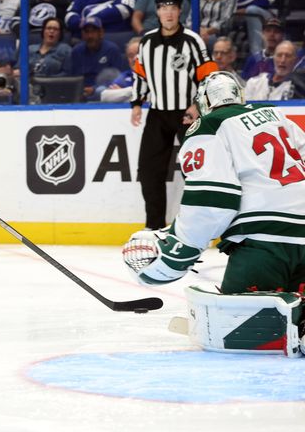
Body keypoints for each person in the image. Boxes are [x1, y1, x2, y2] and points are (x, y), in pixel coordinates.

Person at [122, 72, 305, 356]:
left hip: (264, 243)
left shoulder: (207, 126)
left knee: (236, 313)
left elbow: (212, 200)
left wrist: (179, 248)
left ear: (204, 102)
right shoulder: (277, 115)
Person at [131, 0, 217, 230]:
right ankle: (155, 226)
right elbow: (140, 74)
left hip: (187, 115)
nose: (168, 12)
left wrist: (197, 104)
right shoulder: (147, 42)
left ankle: (204, 225)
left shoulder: (193, 40)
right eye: (163, 7)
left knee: (198, 171)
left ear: (180, 11)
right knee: (149, 171)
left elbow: (208, 76)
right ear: (157, 12)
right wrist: (137, 103)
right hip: (157, 113)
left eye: (173, 7)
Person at [72, 17, 126, 100]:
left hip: (105, 94)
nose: (90, 36)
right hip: (81, 95)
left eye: (93, 31)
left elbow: (119, 79)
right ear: (82, 35)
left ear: (101, 33)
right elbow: (73, 78)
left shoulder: (112, 50)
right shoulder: (77, 51)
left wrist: (94, 89)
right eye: (87, 32)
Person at [95, 36, 141, 102]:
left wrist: (122, 93)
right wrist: (133, 92)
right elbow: (105, 96)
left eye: (138, 53)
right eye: (131, 56)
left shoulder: (158, 74)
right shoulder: (125, 76)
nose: (134, 59)